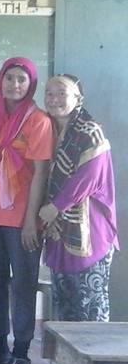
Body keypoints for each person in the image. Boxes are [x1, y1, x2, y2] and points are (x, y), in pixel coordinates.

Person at [0, 57, 53, 364]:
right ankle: (0, 345)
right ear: (1, 81)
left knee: (23, 285)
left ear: (31, 83)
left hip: (22, 222)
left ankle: (21, 350)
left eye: (22, 79)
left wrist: (30, 221)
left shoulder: (38, 121)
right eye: (10, 78)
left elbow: (40, 174)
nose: (15, 85)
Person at [38, 74, 119, 322]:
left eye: (62, 92)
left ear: (78, 98)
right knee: (64, 302)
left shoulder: (89, 131)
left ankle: (94, 360)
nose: (54, 99)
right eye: (49, 93)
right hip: (59, 232)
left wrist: (56, 206)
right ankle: (65, 361)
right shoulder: (49, 131)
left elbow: (89, 177)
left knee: (91, 304)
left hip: (89, 233)